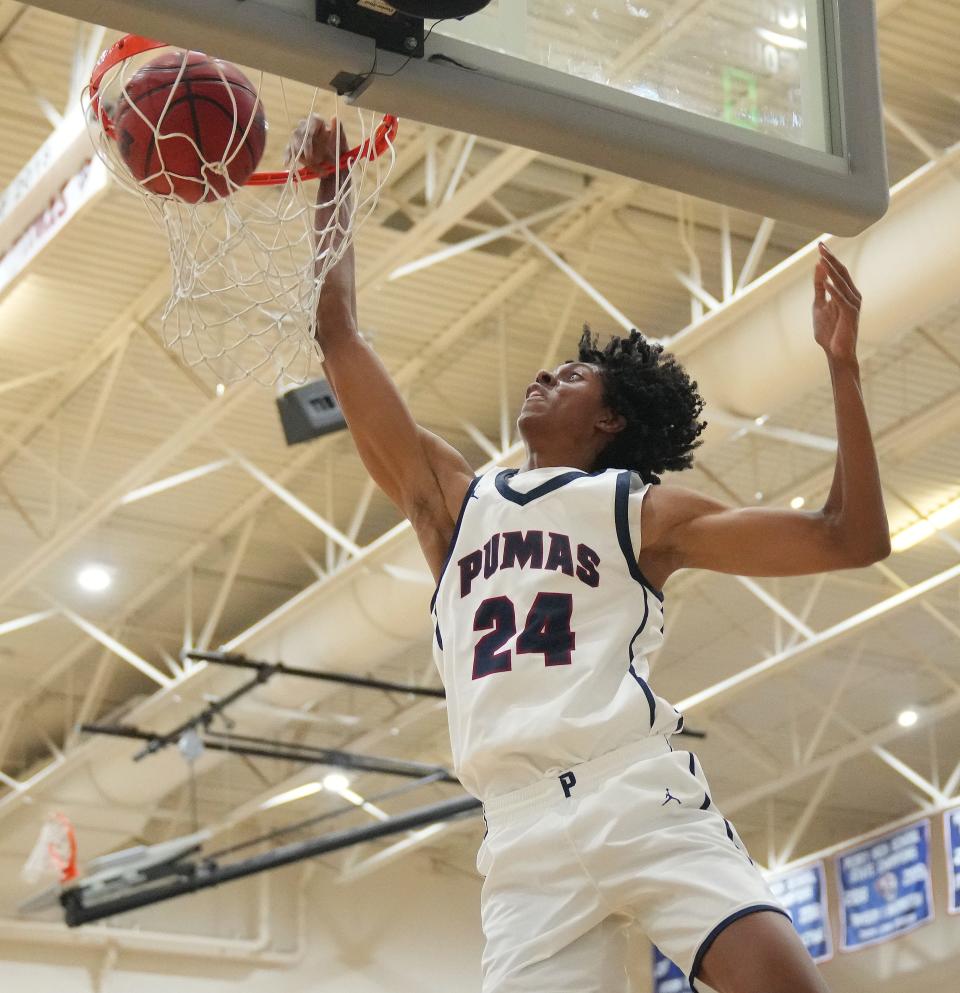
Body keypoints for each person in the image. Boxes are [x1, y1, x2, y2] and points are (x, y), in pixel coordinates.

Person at [290, 117, 889, 993]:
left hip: (633, 792)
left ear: (610, 422)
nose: (544, 376)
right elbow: (338, 336)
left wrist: (842, 369)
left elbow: (852, 537)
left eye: (572, 379)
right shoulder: (452, 502)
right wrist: (332, 185)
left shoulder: (640, 511)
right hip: (522, 834)